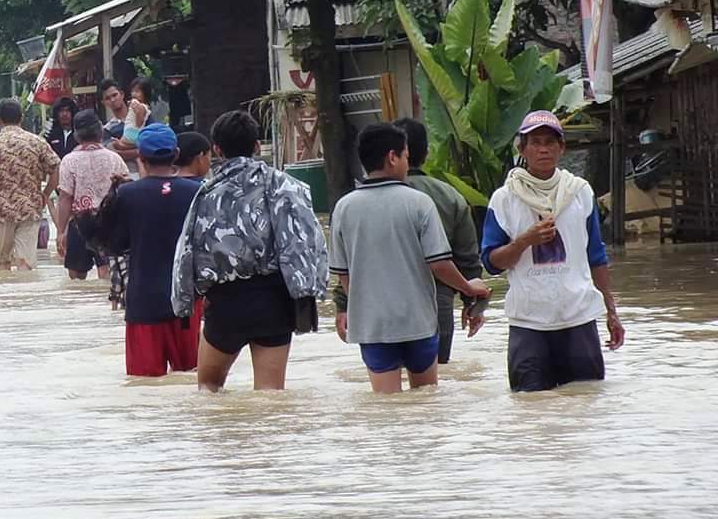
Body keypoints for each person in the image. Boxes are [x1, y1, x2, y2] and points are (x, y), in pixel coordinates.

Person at [173, 110, 329, 391]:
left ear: (217, 150)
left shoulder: (206, 194)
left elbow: (188, 250)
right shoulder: (286, 186)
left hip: (225, 303)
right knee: (270, 395)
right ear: (257, 146)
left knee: (208, 389)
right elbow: (305, 243)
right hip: (274, 302)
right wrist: (308, 296)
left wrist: (184, 305)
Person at [329, 123, 491, 394]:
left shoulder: (343, 208)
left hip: (374, 328)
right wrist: (468, 288)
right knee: (425, 405)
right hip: (419, 323)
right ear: (392, 157)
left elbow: (344, 273)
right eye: (405, 156)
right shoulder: (419, 202)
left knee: (386, 406)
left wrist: (359, 307)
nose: (407, 162)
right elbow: (439, 264)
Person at [481, 110, 625, 393]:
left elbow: (596, 256)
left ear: (562, 148)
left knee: (584, 403)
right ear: (522, 149)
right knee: (530, 410)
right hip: (528, 323)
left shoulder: (580, 193)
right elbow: (492, 263)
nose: (543, 149)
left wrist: (611, 311)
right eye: (535, 142)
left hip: (578, 318)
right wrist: (524, 241)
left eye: (550, 141)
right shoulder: (504, 199)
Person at [100, 125, 202, 377]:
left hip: (143, 302)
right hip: (186, 301)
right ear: (176, 153)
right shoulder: (198, 192)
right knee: (193, 381)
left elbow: (114, 245)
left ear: (141, 157)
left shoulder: (126, 194)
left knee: (143, 387)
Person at [0, 98, 60, 271]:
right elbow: (56, 169)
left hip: (1, 210)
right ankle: (24, 295)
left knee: (2, 262)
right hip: (30, 208)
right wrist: (45, 194)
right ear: (21, 117)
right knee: (25, 261)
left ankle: (6, 296)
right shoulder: (37, 142)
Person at [55, 109, 128, 281]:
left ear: (77, 135)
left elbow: (65, 198)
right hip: (109, 225)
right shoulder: (114, 158)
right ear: (100, 131)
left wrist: (60, 231)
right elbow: (125, 191)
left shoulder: (69, 160)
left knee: (76, 278)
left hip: (79, 224)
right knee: (108, 275)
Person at [100, 78, 151, 168]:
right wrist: (142, 151)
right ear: (104, 102)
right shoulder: (107, 129)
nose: (112, 100)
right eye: (107, 98)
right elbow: (115, 153)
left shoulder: (142, 114)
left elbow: (153, 141)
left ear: (122, 94)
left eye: (114, 95)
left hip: (150, 170)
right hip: (127, 173)